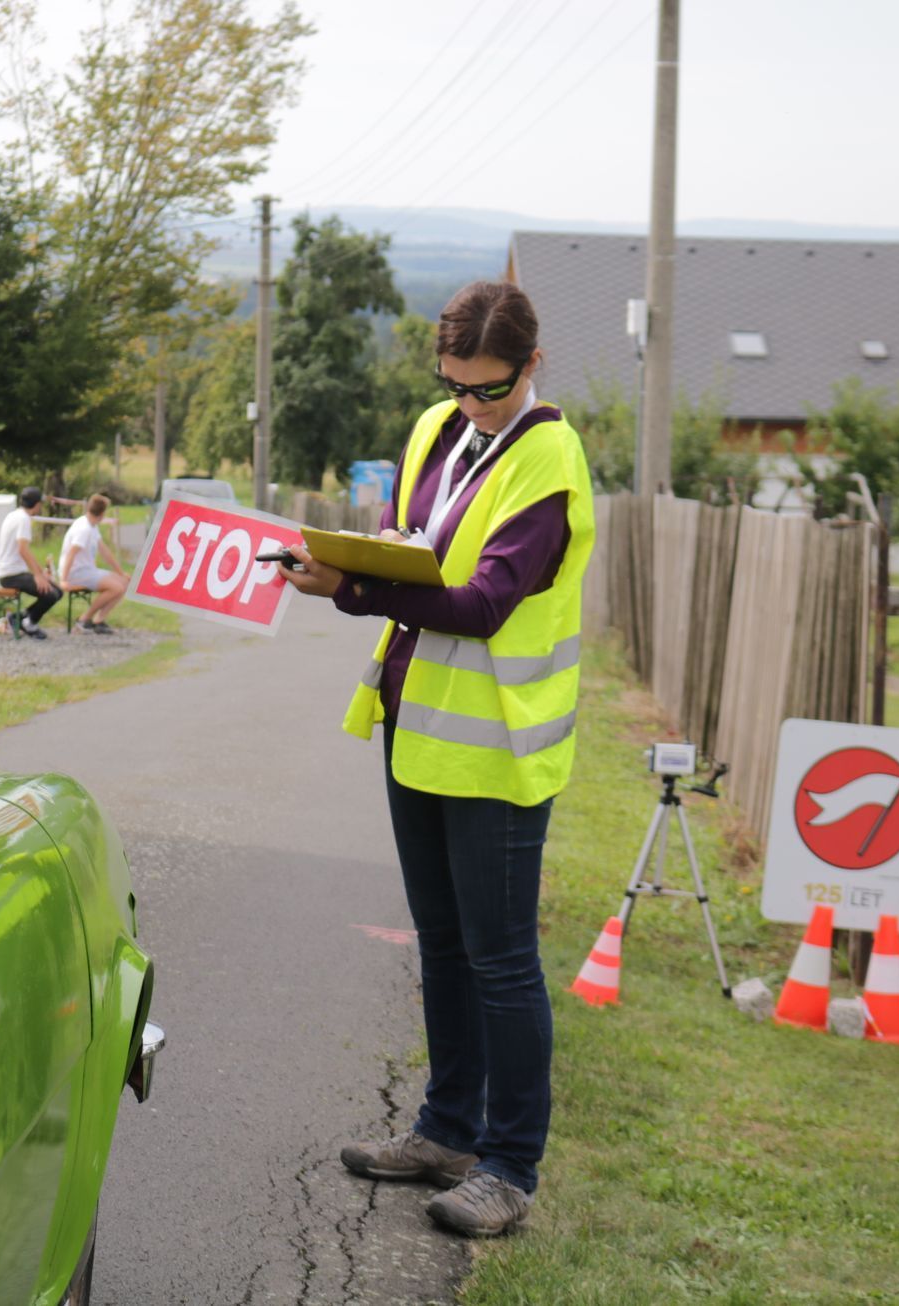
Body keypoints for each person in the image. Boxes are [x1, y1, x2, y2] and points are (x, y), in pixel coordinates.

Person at [277, 280, 595, 1239]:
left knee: (502, 962)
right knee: (443, 943)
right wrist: (350, 568)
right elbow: (417, 550)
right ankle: (446, 1132)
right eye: (454, 385)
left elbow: (485, 602)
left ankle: (509, 1167)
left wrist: (361, 587)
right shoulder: (437, 430)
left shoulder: (550, 459)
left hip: (497, 746)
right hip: (416, 725)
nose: (469, 404)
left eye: (489, 389)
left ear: (531, 367)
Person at [0, 485, 60, 639]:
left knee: (58, 591)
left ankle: (18, 617)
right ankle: (29, 624)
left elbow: (24, 553)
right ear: (37, 504)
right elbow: (23, 549)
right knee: (50, 594)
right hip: (11, 574)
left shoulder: (14, 515)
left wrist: (41, 573)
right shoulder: (23, 519)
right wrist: (38, 576)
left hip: (10, 572)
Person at [58, 493, 129, 633]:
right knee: (116, 588)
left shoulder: (92, 526)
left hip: (87, 570)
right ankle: (84, 619)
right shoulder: (83, 529)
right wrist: (64, 580)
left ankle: (99, 620)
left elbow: (105, 552)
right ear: (102, 513)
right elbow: (71, 553)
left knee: (124, 583)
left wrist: (121, 573)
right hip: (76, 572)